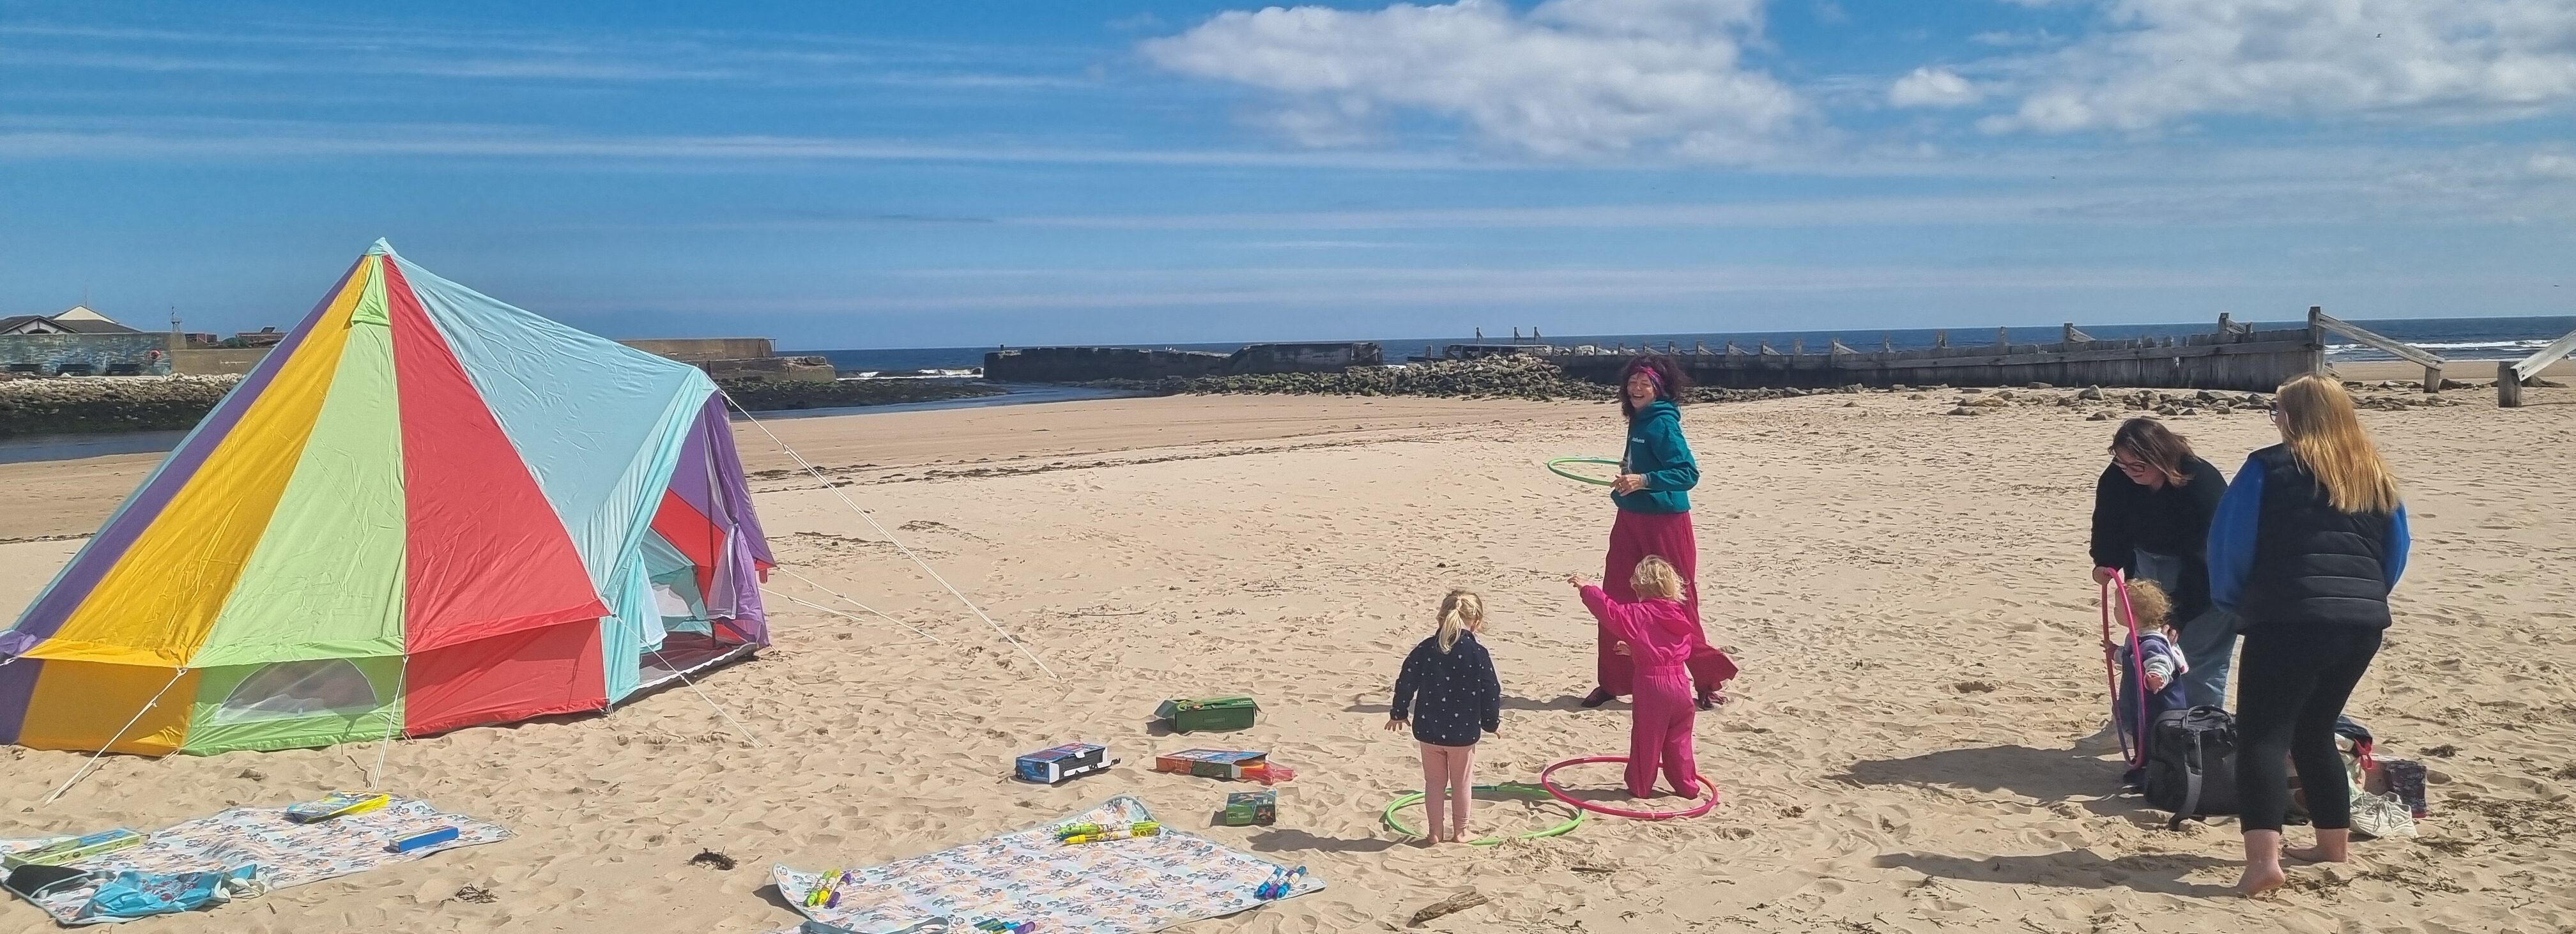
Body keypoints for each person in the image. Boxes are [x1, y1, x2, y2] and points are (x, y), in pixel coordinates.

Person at [2208, 374, 2410, 897]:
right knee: (2315, 730)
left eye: (2277, 409)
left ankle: (2262, 862)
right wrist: (2363, 598)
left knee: (2262, 737)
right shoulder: (2375, 474)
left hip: (2289, 618)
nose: (2274, 418)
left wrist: (2234, 603)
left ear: (2294, 416)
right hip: (2361, 622)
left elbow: (2229, 545)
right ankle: (2331, 844)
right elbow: (2396, 553)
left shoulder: (2268, 466)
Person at [1583, 355, 1738, 710]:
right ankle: (1613, 682)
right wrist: (1629, 475)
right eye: (1632, 382)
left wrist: (1645, 480)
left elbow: (1687, 473)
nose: (1636, 388)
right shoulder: (1637, 421)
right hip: (1630, 519)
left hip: (1667, 522)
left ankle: (1707, 682)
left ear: (1659, 388)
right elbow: (1639, 465)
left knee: (1677, 600)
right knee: (1617, 597)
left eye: (1645, 383)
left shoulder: (1664, 423)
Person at [2089, 417, 2233, 708]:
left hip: (2209, 573)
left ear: (2160, 457)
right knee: (2146, 650)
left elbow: (2207, 556)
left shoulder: (2201, 484)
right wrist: (2106, 560)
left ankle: (2201, 731)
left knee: (2199, 658)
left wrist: (2180, 612)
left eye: (2138, 466)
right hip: (2147, 564)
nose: (2129, 472)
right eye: (2122, 464)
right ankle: (2137, 723)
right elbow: (2109, 520)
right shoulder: (2119, 475)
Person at [1572, 558, 1705, 799]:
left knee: (1648, 739)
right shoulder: (1678, 615)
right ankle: (1687, 786)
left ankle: (1640, 786)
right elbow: (1673, 647)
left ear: (1639, 587)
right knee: (1679, 740)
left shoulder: (1640, 613)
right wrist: (1637, 649)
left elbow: (1610, 612)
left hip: (1653, 686)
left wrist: (1587, 589)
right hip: (1681, 684)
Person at [1386, 589, 1503, 844]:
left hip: (1429, 730)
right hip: (1462, 734)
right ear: (1477, 622)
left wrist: (1399, 713)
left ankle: (1434, 832)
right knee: (1461, 783)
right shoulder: (1478, 653)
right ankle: (1461, 831)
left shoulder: (1426, 649)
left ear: (1440, 619)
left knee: (1434, 783)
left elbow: (1406, 680)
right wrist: (1491, 723)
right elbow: (1490, 689)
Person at [2107, 578, 2189, 789]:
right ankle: (2143, 766)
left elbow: (2160, 660)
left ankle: (2157, 773)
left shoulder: (2152, 641)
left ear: (2132, 615)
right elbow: (2131, 657)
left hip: (2159, 705)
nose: (2114, 611)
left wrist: (2156, 676)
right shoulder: (2138, 637)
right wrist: (2115, 652)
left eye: (2118, 608)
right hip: (2142, 703)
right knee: (2141, 732)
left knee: (2156, 738)